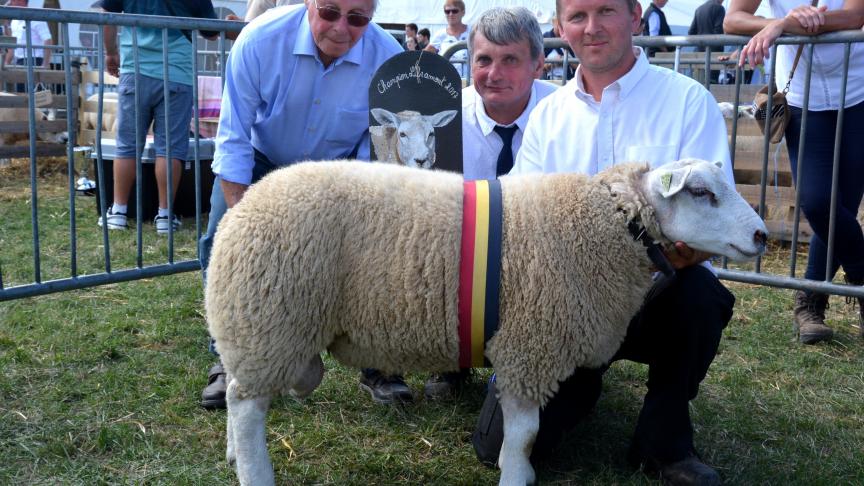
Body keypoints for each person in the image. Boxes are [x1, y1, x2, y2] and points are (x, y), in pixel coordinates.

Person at [471, 0, 735, 484]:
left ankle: (665, 443)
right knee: (493, 449)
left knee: (699, 295)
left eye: (605, 11)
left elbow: (712, 218)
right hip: (565, 307)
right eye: (577, 16)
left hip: (660, 288)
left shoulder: (687, 101)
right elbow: (520, 219)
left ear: (635, 17)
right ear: (560, 28)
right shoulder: (548, 117)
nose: (591, 28)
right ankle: (582, 381)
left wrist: (635, 264)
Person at [199, 0, 403, 410]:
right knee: (224, 237)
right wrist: (245, 220)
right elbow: (234, 138)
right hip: (262, 158)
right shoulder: (258, 41)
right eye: (329, 12)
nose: (342, 28)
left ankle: (377, 360)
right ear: (308, 2)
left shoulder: (389, 61)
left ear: (372, 17)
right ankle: (230, 358)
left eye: (358, 18)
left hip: (339, 169)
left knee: (371, 254)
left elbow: (378, 151)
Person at [725, 0, 864, 343]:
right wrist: (780, 20)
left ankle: (809, 304)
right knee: (817, 202)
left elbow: (855, 15)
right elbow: (733, 19)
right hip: (805, 100)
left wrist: (780, 26)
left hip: (859, 93)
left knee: (840, 208)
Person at [96, 0, 218, 235]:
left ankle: (118, 211)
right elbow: (211, 31)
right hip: (177, 73)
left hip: (135, 69)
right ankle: (164, 215)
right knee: (171, 148)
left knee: (127, 144)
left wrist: (111, 53)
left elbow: (106, 17)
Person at [4, 0, 54, 93]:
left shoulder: (36, 17)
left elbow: (48, 40)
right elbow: (13, 43)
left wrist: (45, 64)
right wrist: (7, 62)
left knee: (33, 96)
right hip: (19, 62)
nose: (10, 3)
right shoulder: (14, 21)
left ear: (21, 1)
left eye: (12, 0)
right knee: (22, 94)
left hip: (35, 61)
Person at [425, 0, 470, 77]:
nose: (451, 14)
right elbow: (425, 56)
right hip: (447, 81)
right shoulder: (440, 35)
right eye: (447, 11)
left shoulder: (472, 32)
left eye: (455, 11)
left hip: (470, 80)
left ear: (463, 12)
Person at [689, 0, 727, 83]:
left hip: (699, 53)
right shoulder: (719, 8)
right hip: (714, 54)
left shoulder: (699, 9)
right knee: (712, 83)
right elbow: (719, 30)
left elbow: (691, 32)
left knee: (698, 82)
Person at [541, 16, 575, 81]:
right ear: (553, 22)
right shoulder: (545, 39)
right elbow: (537, 66)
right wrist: (553, 62)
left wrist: (566, 60)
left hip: (570, 80)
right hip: (551, 81)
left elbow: (580, 65)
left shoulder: (570, 39)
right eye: (558, 23)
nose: (561, 26)